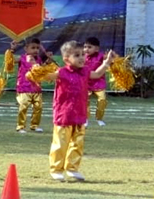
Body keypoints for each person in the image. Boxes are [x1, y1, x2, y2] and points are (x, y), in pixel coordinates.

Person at [41, 41, 115, 181]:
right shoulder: (61, 72)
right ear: (66, 59)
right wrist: (37, 70)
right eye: (77, 55)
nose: (82, 57)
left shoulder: (86, 71)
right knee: (61, 143)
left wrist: (106, 63)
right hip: (64, 114)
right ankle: (56, 169)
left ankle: (72, 169)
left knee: (77, 142)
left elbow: (97, 74)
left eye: (83, 54)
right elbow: (46, 76)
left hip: (80, 113)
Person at [10, 38, 49, 133]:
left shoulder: (38, 60)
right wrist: (12, 50)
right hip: (24, 88)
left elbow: (43, 70)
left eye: (37, 48)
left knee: (38, 107)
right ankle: (20, 126)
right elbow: (10, 61)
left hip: (36, 88)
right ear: (26, 49)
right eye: (33, 48)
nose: (36, 50)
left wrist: (47, 62)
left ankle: (34, 125)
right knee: (23, 107)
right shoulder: (21, 58)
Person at [84, 37, 108, 127]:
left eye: (89, 47)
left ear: (97, 49)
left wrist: (110, 60)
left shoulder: (101, 56)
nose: (86, 49)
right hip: (86, 83)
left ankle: (99, 118)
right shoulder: (82, 56)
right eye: (85, 47)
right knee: (85, 101)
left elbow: (110, 62)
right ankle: (85, 119)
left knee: (102, 99)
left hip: (99, 82)